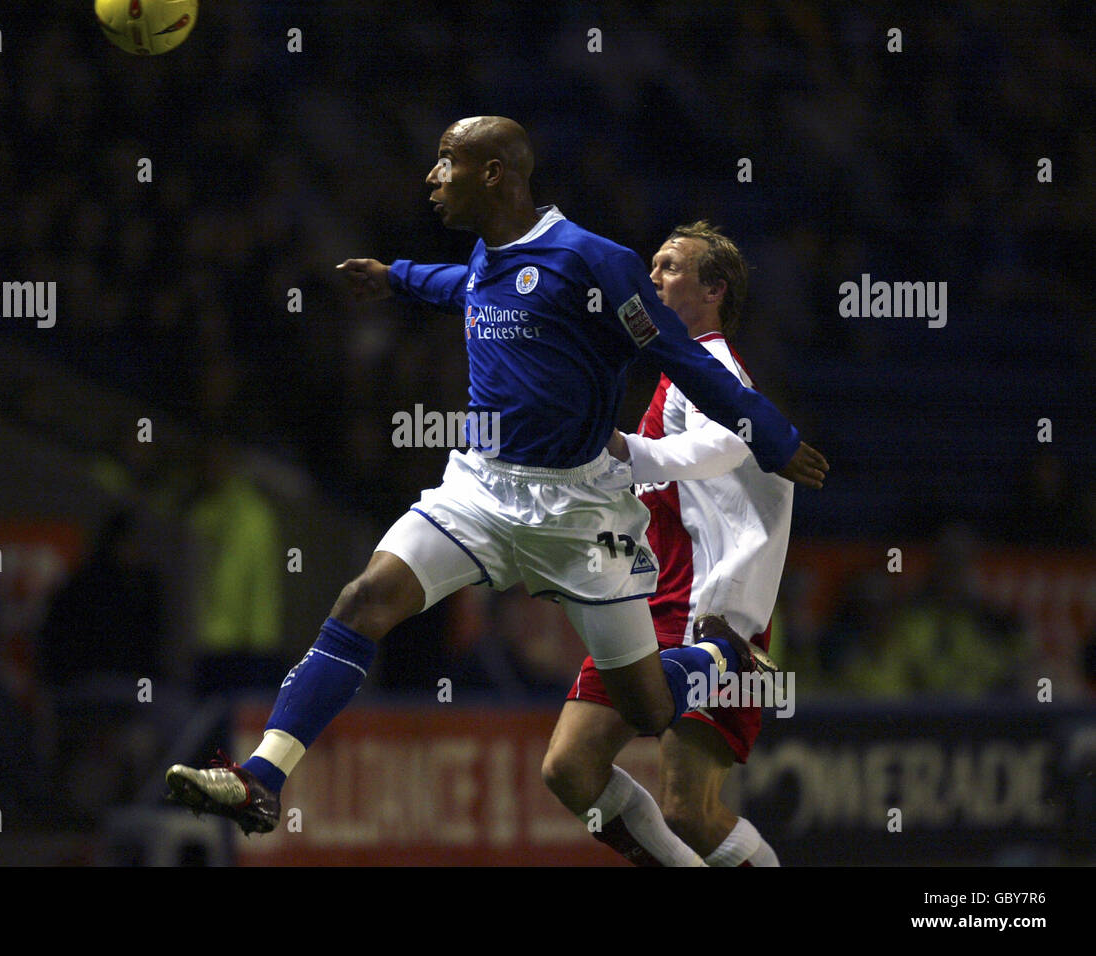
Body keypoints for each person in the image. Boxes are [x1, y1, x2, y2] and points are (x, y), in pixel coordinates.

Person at [165, 117, 827, 834]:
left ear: (495, 174)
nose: (431, 177)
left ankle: (719, 656)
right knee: (365, 598)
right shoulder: (489, 256)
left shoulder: (595, 262)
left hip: (580, 517)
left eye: (446, 162)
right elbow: (469, 288)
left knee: (648, 710)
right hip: (479, 491)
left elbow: (681, 356)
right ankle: (261, 778)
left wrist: (772, 435)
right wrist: (396, 278)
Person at [543, 222, 792, 866]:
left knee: (689, 809)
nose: (650, 279)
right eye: (651, 266)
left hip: (705, 616)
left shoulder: (718, 372)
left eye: (668, 267)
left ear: (714, 289)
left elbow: (722, 444)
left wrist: (624, 446)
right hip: (642, 603)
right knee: (569, 768)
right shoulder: (676, 376)